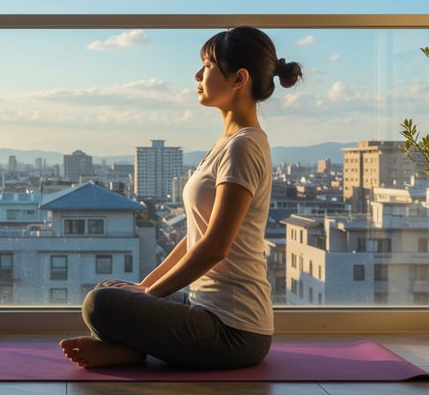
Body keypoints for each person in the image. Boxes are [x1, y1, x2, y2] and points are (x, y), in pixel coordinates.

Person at [60, 26, 302, 370]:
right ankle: (129, 350)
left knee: (100, 304)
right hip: (203, 306)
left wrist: (148, 295)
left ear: (239, 79)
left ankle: (129, 350)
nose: (197, 75)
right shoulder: (228, 143)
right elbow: (196, 237)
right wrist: (144, 286)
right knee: (111, 287)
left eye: (207, 65)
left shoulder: (244, 147)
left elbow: (214, 247)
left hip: (234, 331)